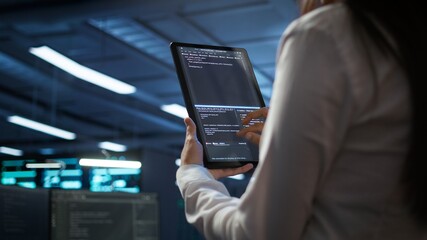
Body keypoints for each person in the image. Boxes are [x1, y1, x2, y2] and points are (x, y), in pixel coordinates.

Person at [176, 0, 427, 239]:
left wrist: (193, 176)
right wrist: (292, 141)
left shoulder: (325, 33)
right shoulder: (407, 42)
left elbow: (257, 234)